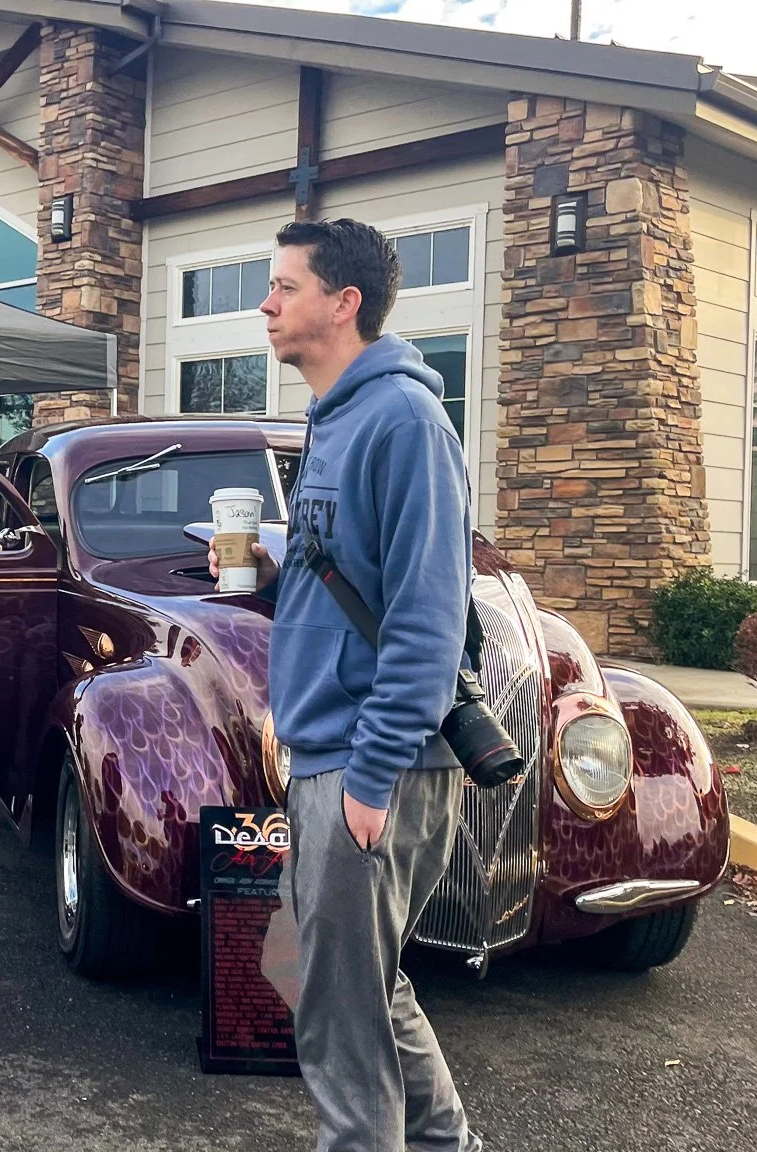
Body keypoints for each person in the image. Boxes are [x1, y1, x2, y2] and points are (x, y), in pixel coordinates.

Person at [214, 219, 479, 1152]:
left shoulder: (405, 420)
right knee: (357, 987)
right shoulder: (336, 415)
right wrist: (279, 561)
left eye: (285, 286)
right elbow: (355, 571)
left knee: (340, 1021)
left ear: (343, 303)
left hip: (376, 768)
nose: (266, 302)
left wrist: (371, 778)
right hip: (330, 753)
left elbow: (428, 616)